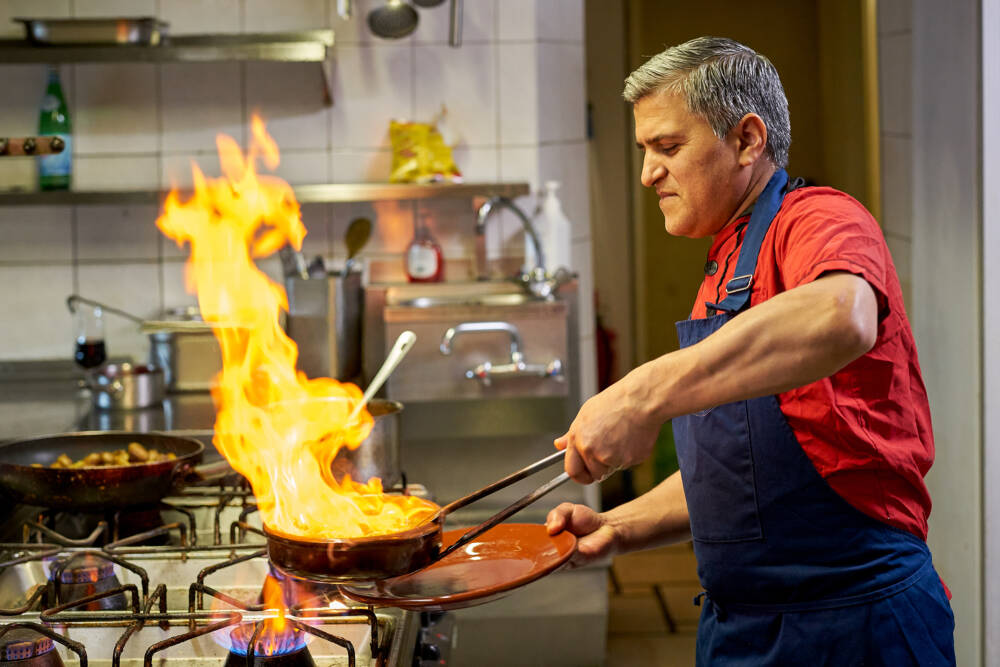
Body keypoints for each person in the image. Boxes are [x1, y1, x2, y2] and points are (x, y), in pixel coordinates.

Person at [546, 36, 956, 665]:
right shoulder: (728, 262)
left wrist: (641, 394)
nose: (647, 172)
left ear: (746, 139)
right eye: (644, 150)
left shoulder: (820, 219)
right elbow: (747, 475)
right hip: (741, 628)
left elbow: (842, 316)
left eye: (668, 147)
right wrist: (619, 527)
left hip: (856, 622)